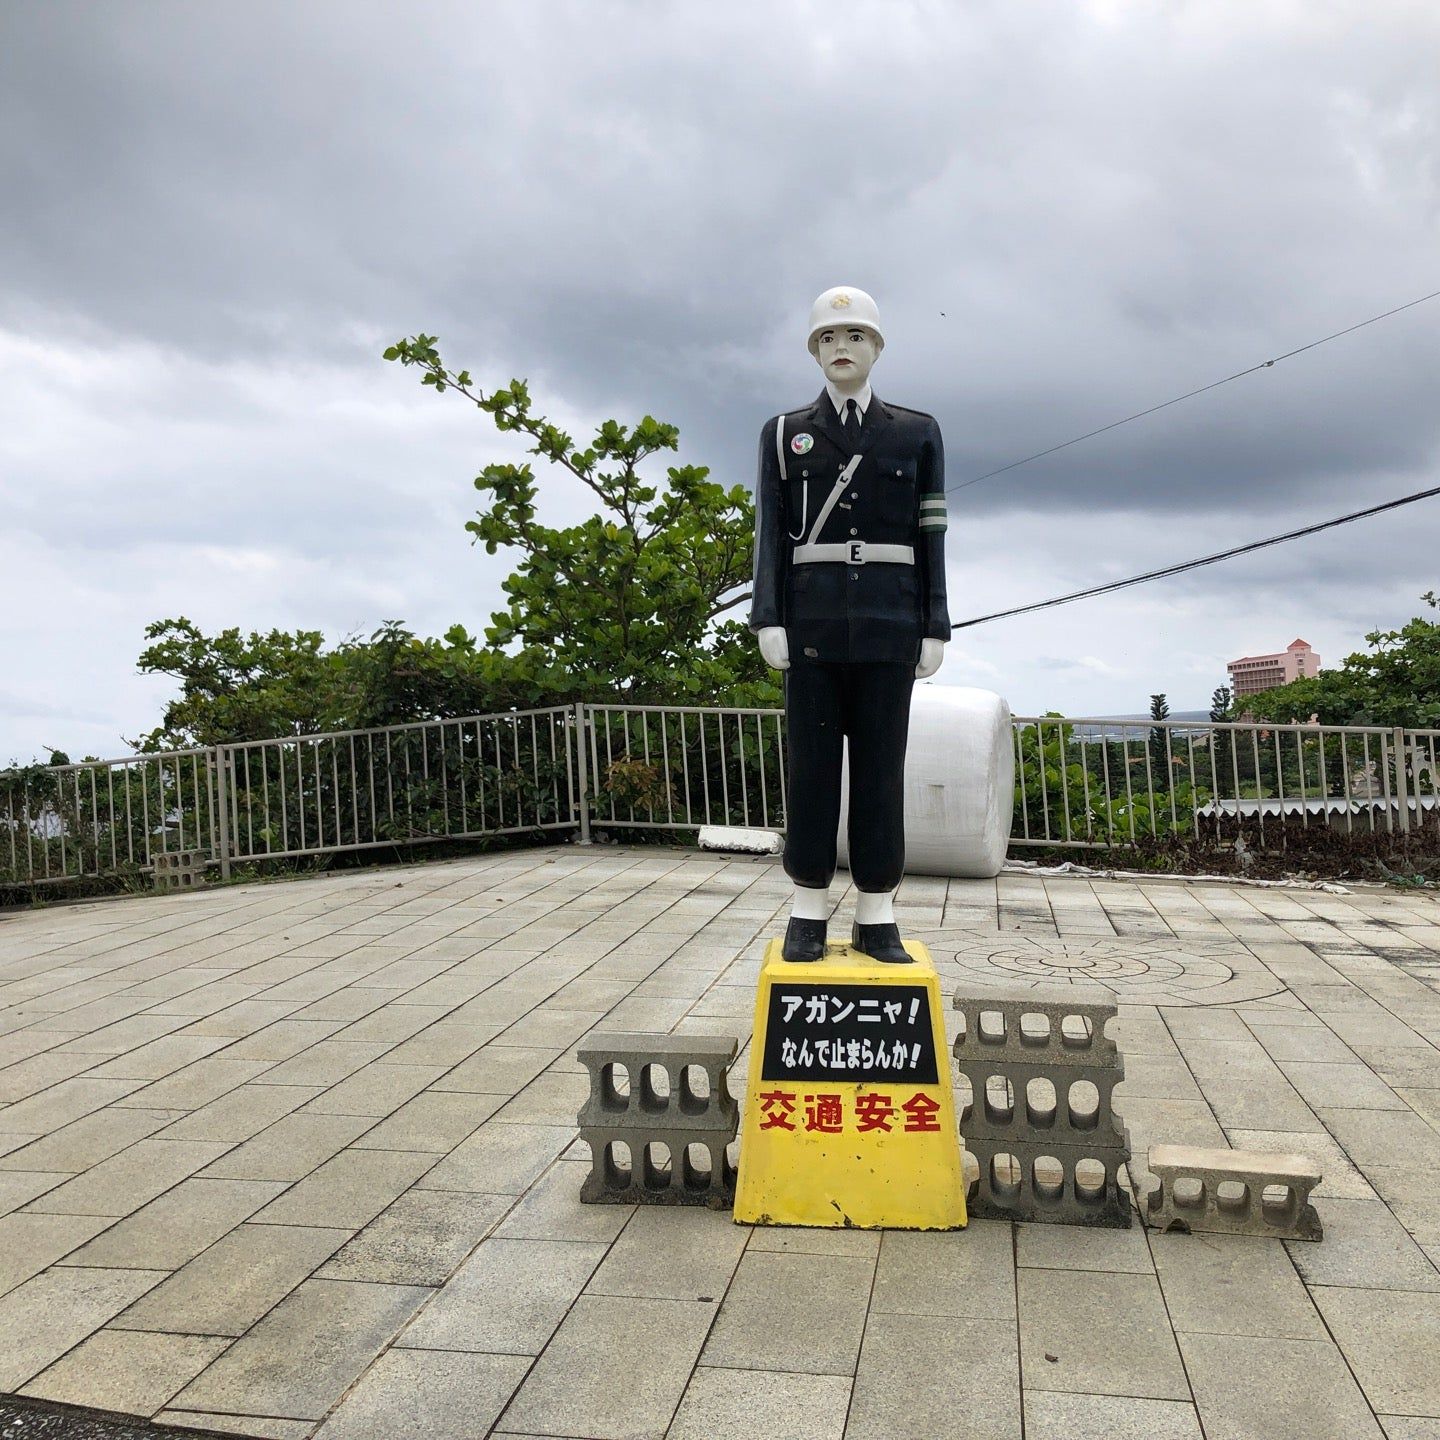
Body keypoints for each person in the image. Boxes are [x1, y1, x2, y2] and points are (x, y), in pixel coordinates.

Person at [750, 286, 949, 962]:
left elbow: (932, 536)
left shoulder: (916, 432)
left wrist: (935, 623)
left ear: (877, 348)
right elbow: (772, 533)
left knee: (880, 772)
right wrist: (767, 615)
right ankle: (807, 909)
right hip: (812, 626)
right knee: (809, 771)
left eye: (856, 336)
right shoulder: (783, 433)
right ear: (814, 350)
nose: (842, 348)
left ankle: (876, 912)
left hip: (891, 624)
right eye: (829, 339)